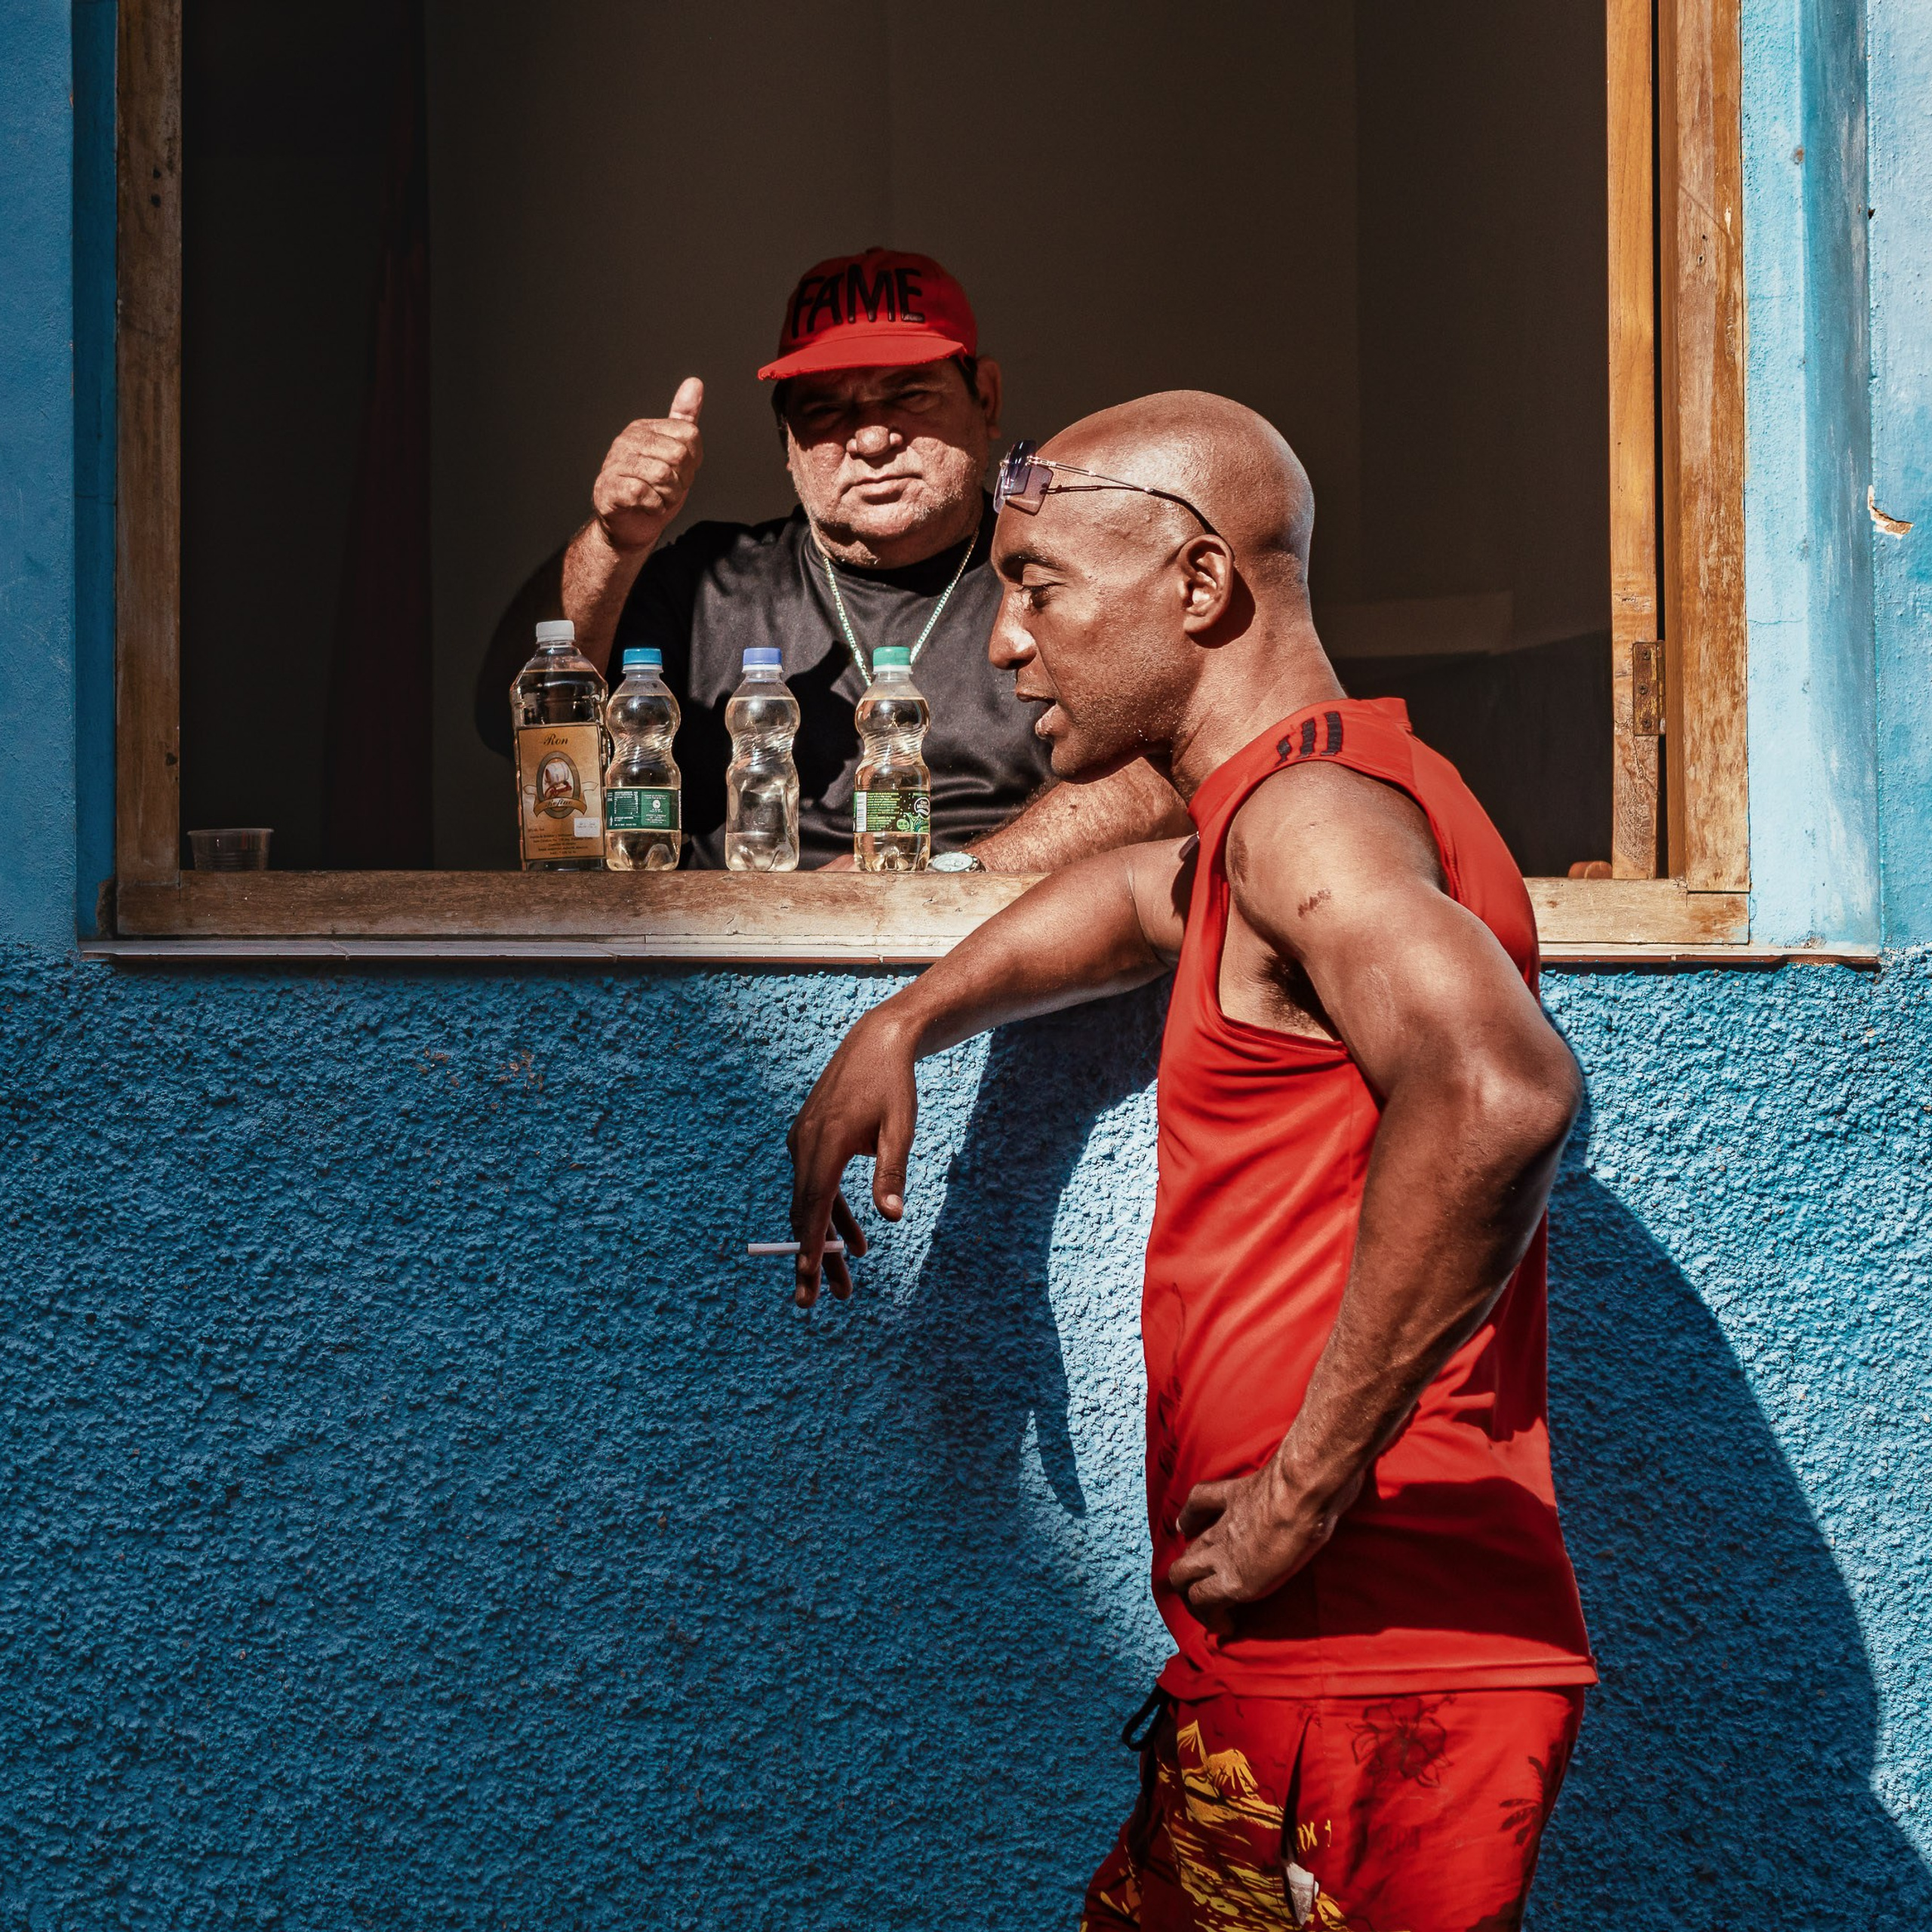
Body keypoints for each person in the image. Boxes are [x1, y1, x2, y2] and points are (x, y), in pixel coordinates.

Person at [782, 392, 1597, 1929]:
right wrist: (911, 1013)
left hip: (1367, 1669)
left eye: (1036, 587)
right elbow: (1138, 899)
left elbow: (1495, 1091)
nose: (1005, 641)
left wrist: (1304, 1483)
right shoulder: (1292, 810)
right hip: (1309, 1669)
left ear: (1200, 587)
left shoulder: (1308, 818)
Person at [484, 246, 1185, 869]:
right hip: (733, 964)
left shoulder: (1058, 574)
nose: (873, 440)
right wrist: (614, 540)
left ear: (986, 397)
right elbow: (510, 721)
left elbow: (1160, 783)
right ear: (785, 438)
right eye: (826, 410)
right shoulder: (708, 582)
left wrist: (949, 883)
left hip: (979, 946)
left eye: (910, 394)